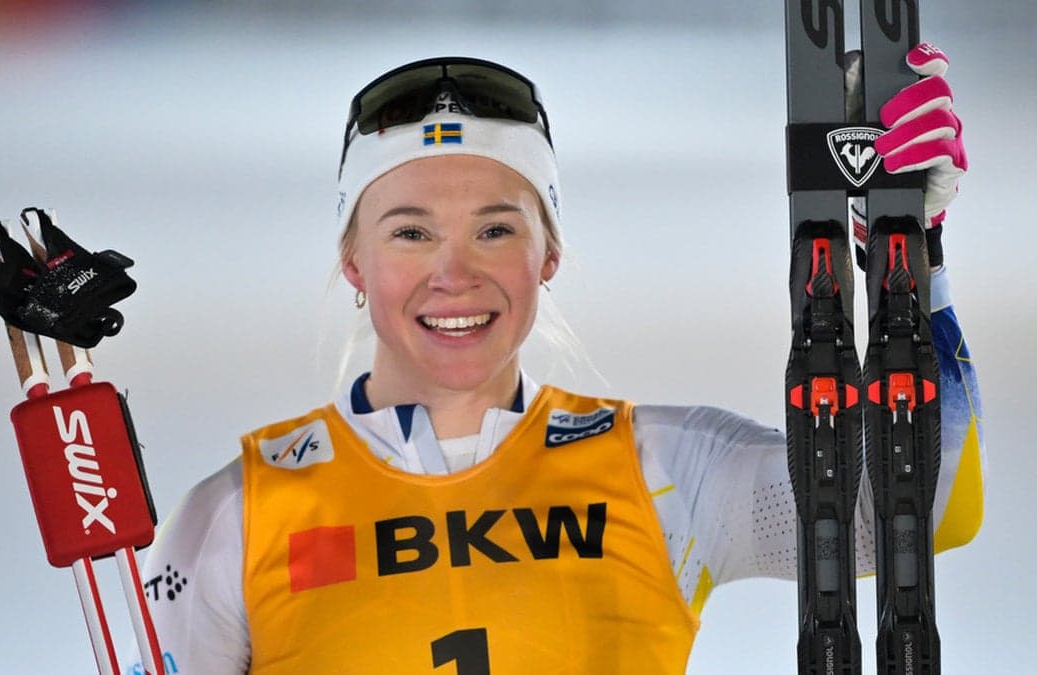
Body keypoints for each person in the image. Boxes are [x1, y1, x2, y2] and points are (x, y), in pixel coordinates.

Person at [126, 49, 983, 674]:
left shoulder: (660, 471)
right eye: (411, 231)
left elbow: (918, 506)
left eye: (496, 228)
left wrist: (910, 256)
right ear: (353, 261)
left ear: (549, 254)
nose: (454, 273)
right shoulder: (237, 517)